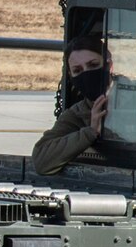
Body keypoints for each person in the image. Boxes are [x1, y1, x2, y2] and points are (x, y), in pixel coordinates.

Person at [32, 34, 112, 175]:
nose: (87, 74)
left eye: (93, 65)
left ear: (109, 65)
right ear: (71, 75)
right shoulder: (78, 113)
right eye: (77, 70)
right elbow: (42, 160)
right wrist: (90, 131)